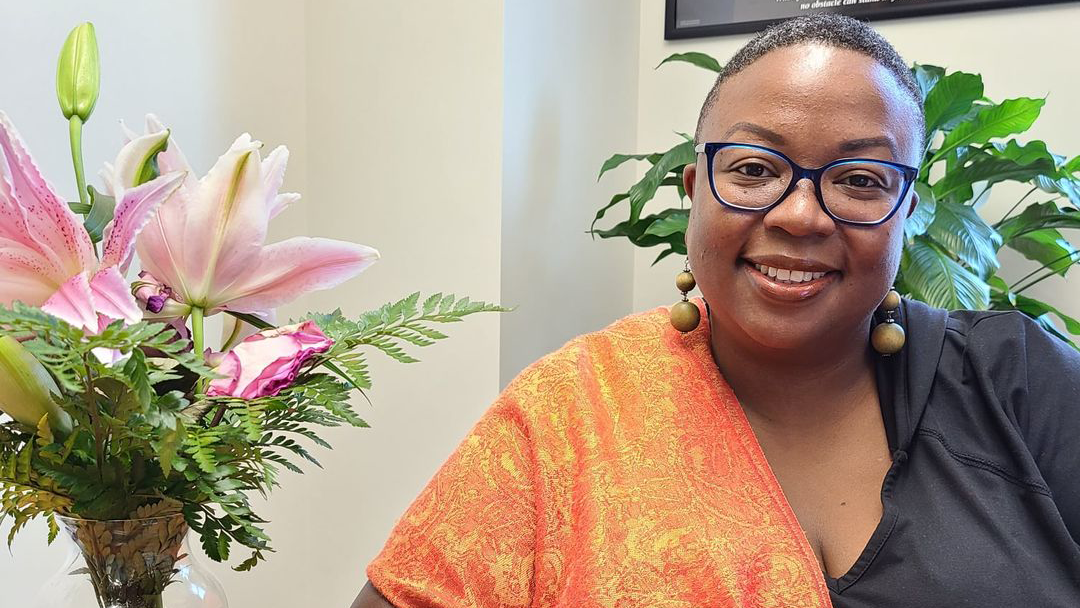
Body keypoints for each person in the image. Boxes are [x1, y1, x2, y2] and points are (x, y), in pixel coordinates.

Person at [352, 13, 1080, 608]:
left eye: (860, 179)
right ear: (693, 187)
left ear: (906, 213)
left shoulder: (1016, 381)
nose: (800, 216)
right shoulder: (571, 412)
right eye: (755, 169)